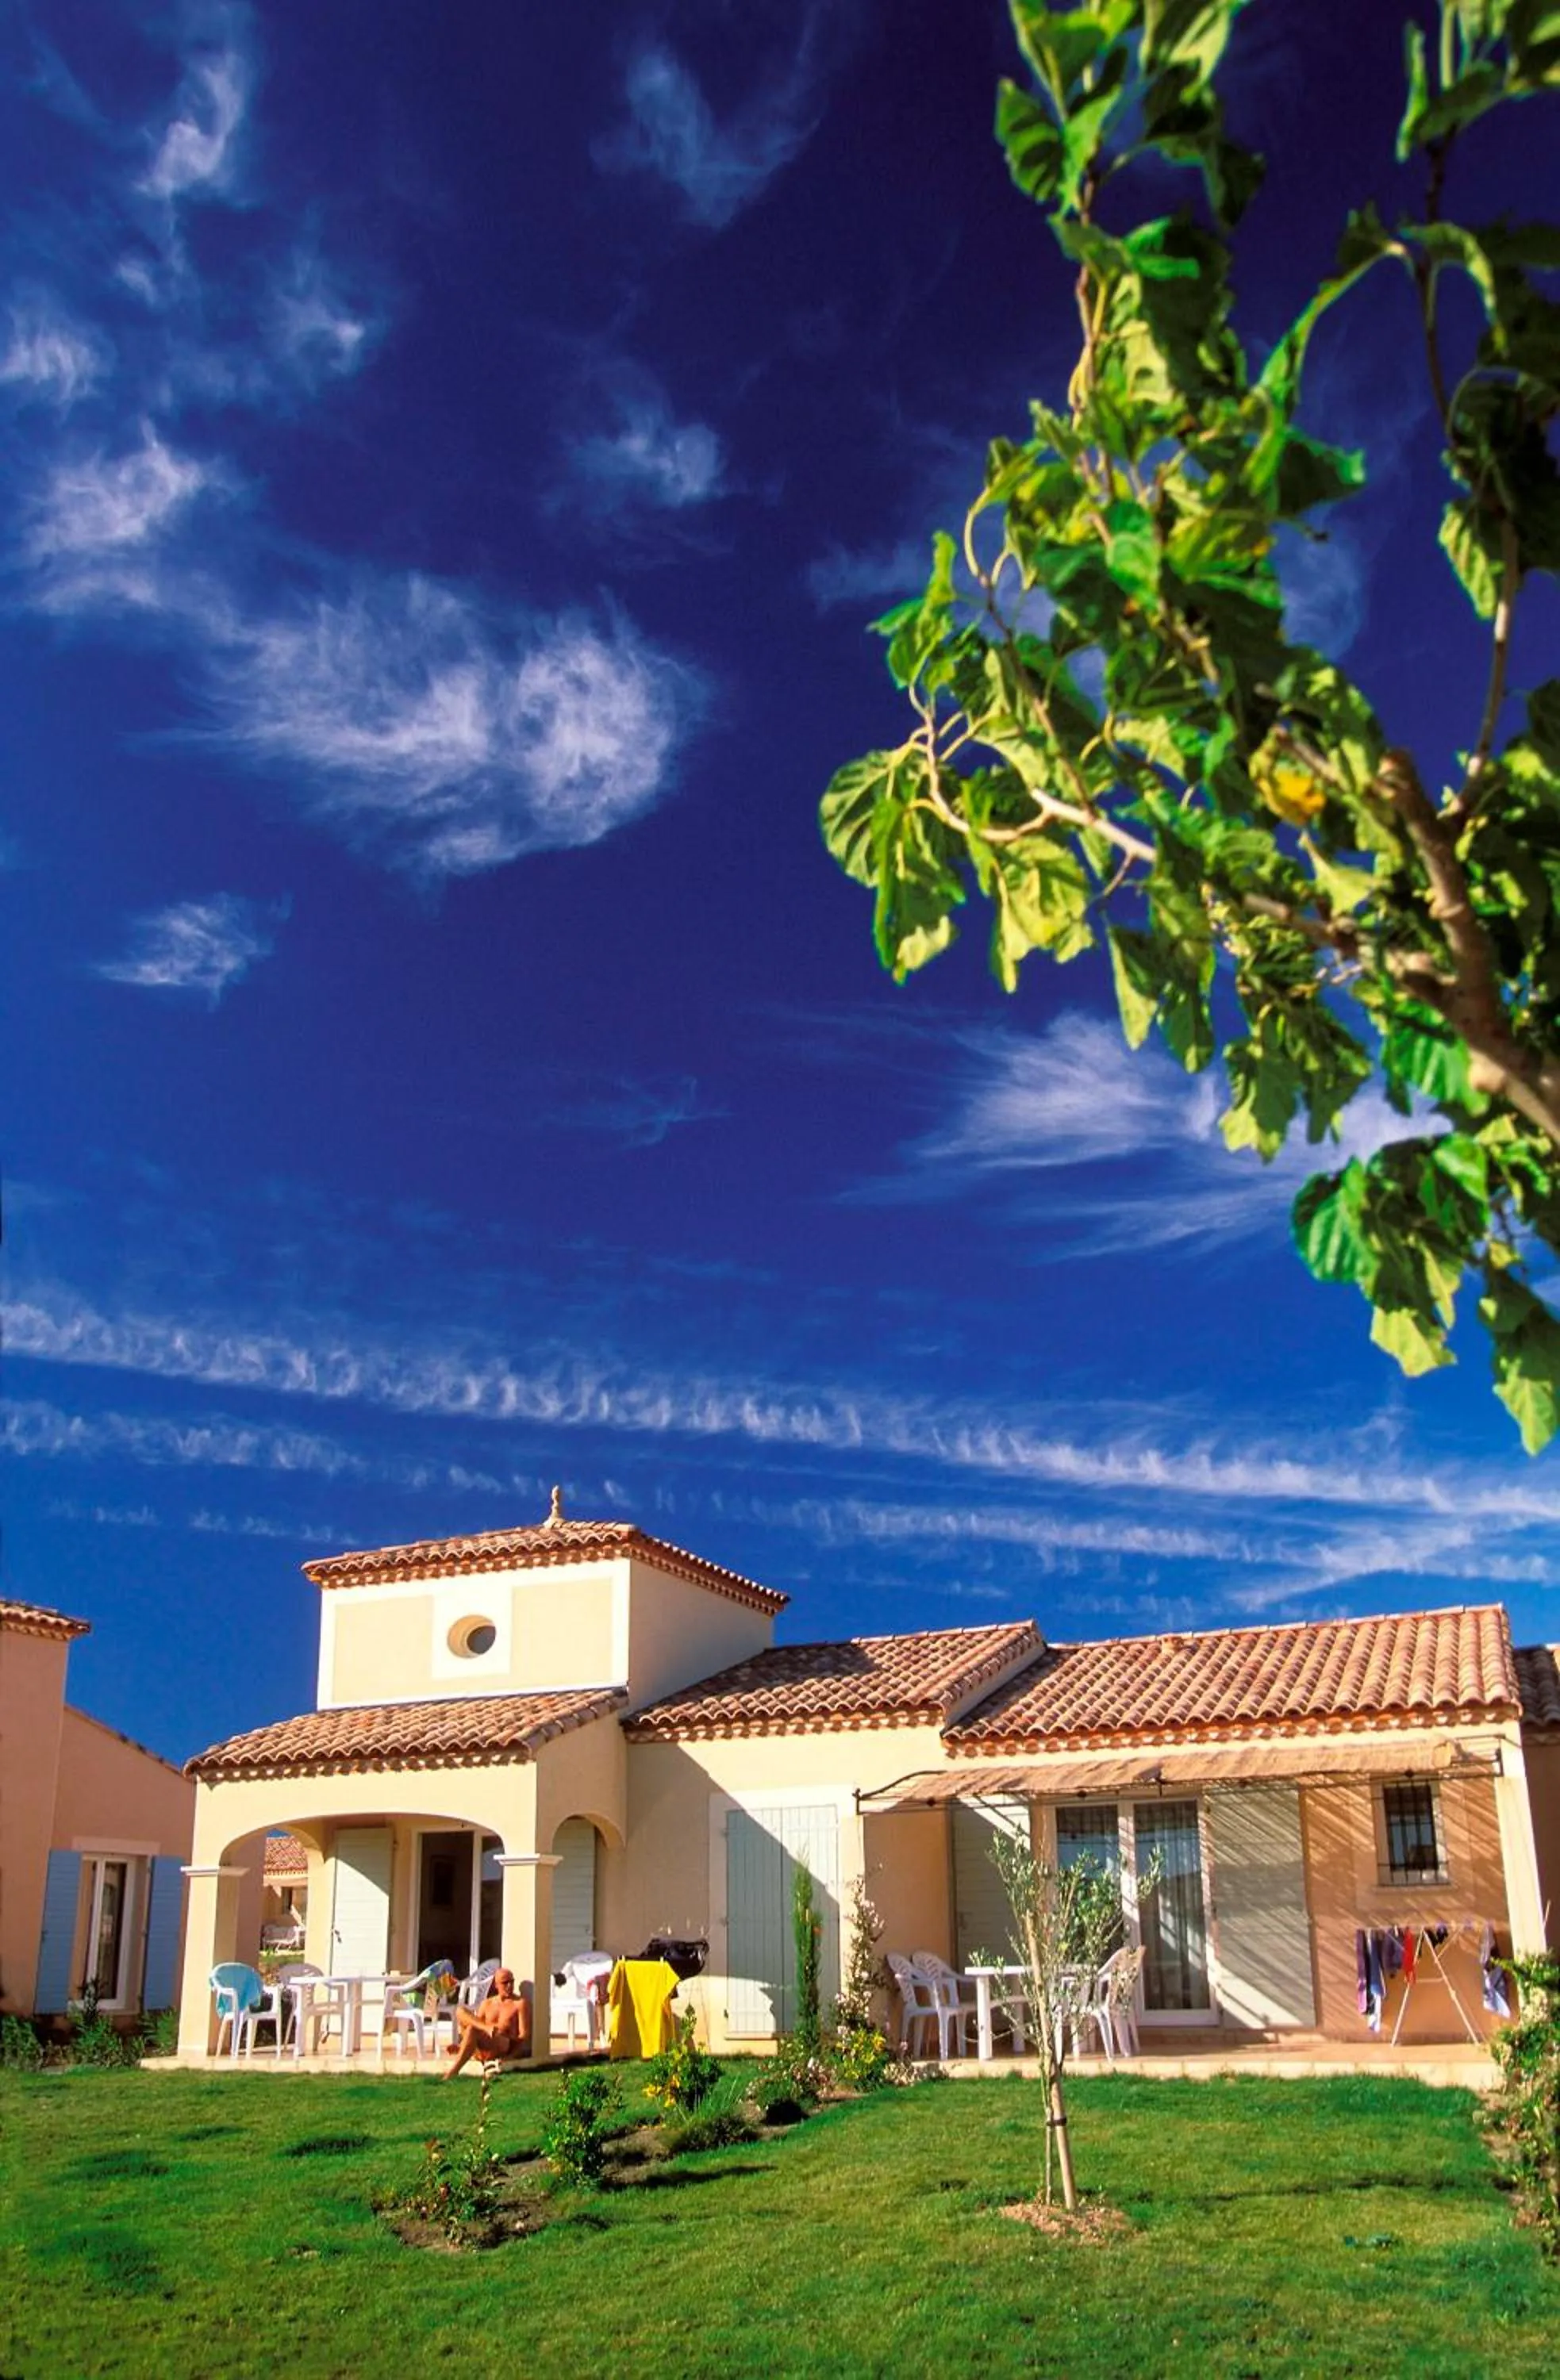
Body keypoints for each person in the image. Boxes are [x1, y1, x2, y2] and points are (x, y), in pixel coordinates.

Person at [444, 1967, 531, 2078]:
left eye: (512, 1981)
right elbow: (474, 2028)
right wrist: (461, 2046)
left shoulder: (520, 2004)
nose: (510, 1985)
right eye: (505, 1983)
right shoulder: (487, 2003)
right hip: (484, 2045)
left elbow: (524, 2036)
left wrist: (510, 2058)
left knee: (473, 2028)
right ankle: (484, 2030)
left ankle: (453, 2071)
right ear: (496, 1985)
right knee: (460, 2011)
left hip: (502, 2044)